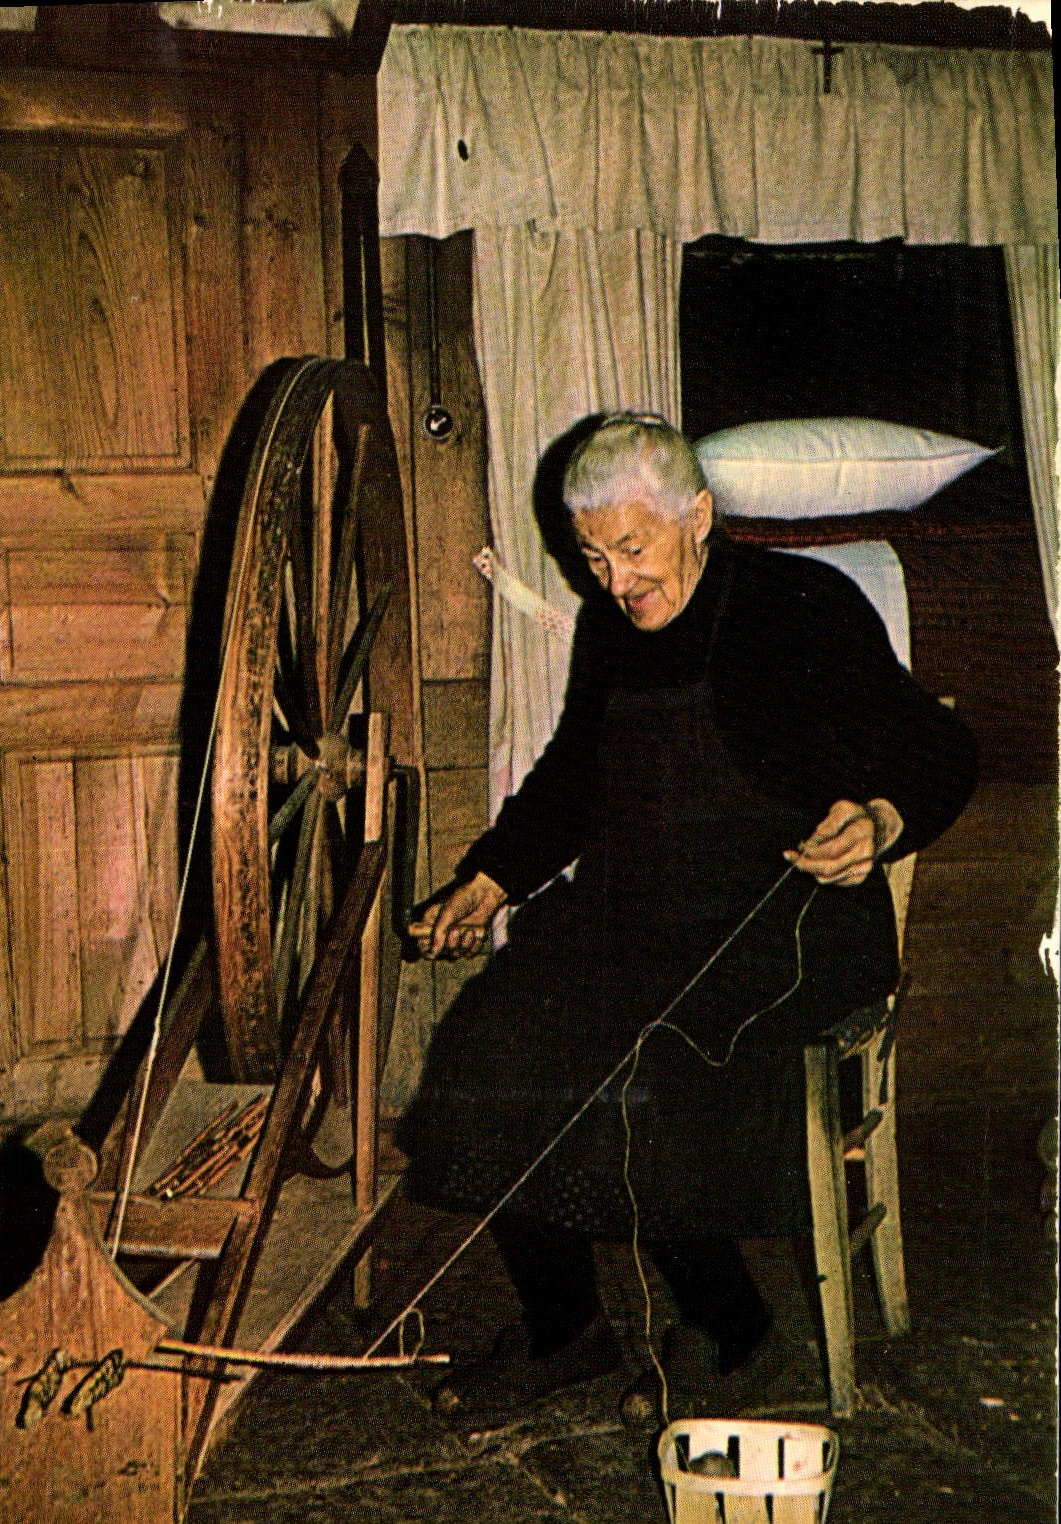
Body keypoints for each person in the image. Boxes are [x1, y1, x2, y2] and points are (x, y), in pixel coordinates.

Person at [399, 413, 977, 1423]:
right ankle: (561, 1328)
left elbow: (931, 744)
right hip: (641, 913)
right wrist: (490, 877)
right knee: (492, 1045)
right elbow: (571, 778)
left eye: (632, 548)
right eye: (591, 558)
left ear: (697, 517)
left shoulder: (799, 605)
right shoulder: (610, 633)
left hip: (787, 919)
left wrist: (881, 818)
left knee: (644, 1061)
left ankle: (733, 1330)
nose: (617, 583)